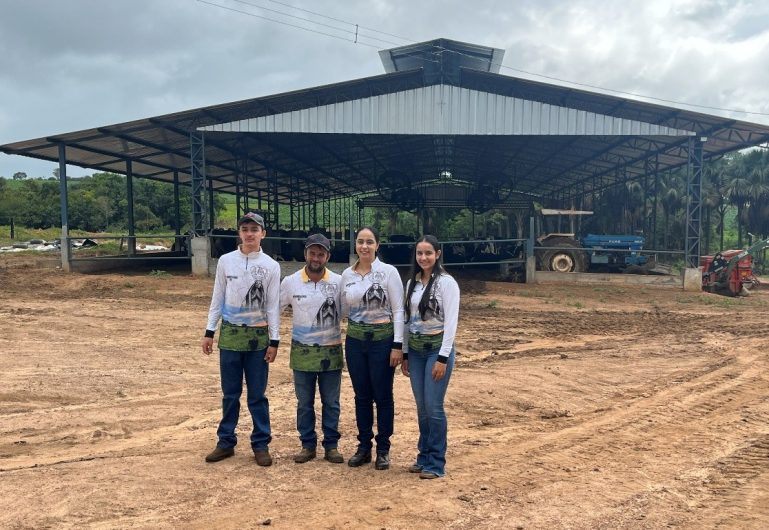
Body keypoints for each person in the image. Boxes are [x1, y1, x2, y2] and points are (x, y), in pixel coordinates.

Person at [201, 211, 281, 466]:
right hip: (231, 335)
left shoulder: (271, 266)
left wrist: (275, 340)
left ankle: (260, 444)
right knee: (230, 393)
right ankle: (226, 441)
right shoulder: (226, 261)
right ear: (239, 233)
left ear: (262, 234)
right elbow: (218, 297)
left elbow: (272, 305)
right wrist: (209, 331)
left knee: (257, 394)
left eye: (254, 229)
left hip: (258, 337)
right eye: (245, 229)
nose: (249, 234)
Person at [341, 227, 404, 470]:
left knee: (383, 395)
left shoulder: (388, 273)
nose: (364, 246)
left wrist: (397, 345)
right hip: (355, 340)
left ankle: (384, 448)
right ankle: (364, 445)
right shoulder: (347, 275)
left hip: (382, 340)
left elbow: (398, 310)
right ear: (355, 245)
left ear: (378, 245)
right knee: (362, 395)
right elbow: (343, 309)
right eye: (360, 242)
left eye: (369, 242)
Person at [279, 233, 345, 465]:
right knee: (304, 403)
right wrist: (272, 339)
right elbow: (274, 311)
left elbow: (349, 311)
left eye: (321, 253)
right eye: (312, 253)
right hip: (302, 353)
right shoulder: (290, 282)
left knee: (331, 402)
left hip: (331, 352)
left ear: (328, 256)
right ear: (305, 253)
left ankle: (331, 445)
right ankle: (307, 445)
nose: (316, 258)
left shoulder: (339, 283)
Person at [401, 235, 460, 479]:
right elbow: (406, 320)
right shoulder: (412, 284)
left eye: (428, 253)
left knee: (434, 407)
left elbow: (451, 323)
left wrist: (443, 358)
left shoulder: (447, 283)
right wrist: (404, 352)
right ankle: (423, 455)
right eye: (419, 253)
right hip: (415, 351)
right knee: (422, 408)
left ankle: (436, 462)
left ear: (438, 254)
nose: (423, 258)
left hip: (437, 349)